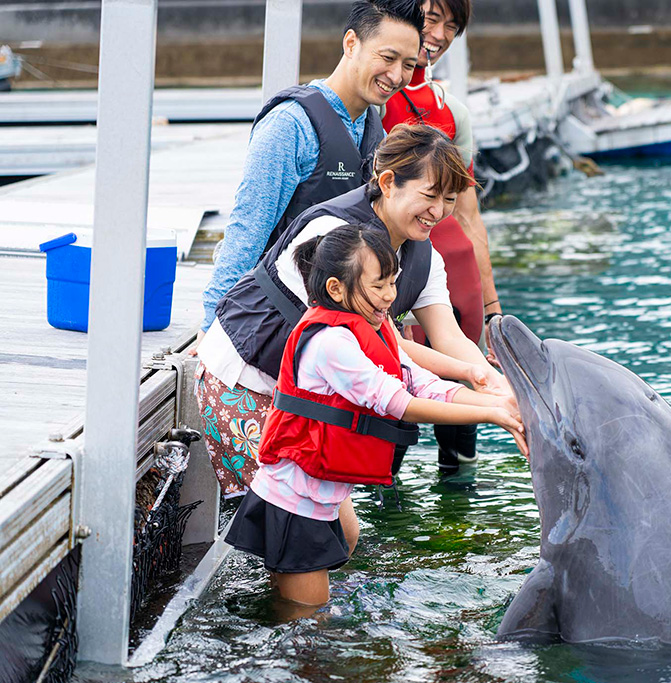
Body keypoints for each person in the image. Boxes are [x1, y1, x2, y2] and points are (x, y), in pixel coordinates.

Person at [195, 124, 511, 498]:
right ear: (388, 182)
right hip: (243, 378)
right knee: (289, 515)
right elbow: (389, 347)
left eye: (449, 199)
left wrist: (496, 384)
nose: (438, 211)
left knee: (325, 519)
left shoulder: (424, 255)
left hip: (298, 398)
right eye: (430, 195)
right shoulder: (336, 237)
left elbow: (449, 337)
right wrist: (483, 391)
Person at [223, 225, 526, 609]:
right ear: (336, 289)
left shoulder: (373, 329)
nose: (390, 296)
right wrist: (492, 416)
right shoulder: (331, 343)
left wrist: (497, 399)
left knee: (339, 557)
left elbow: (421, 383)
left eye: (393, 283)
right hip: (293, 505)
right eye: (378, 286)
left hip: (322, 497)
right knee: (308, 623)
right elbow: (398, 403)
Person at [197, 0, 425, 348]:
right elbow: (247, 229)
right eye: (388, 58)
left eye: (408, 65)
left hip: (336, 327)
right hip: (274, 324)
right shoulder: (290, 125)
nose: (396, 76)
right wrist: (211, 326)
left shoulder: (373, 129)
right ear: (351, 43)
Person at [382, 0, 503, 474]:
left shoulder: (454, 112)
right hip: (393, 266)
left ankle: (459, 501)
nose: (439, 34)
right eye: (432, 18)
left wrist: (492, 308)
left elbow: (470, 217)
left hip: (454, 270)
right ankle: (388, 500)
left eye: (452, 26)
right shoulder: (374, 98)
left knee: (466, 395)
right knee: (394, 394)